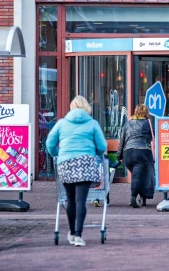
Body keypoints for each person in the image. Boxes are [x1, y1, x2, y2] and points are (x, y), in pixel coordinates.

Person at [46, 96, 107, 247]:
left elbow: (50, 142)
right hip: (85, 162)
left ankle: (72, 232)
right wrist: (95, 151)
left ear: (71, 107)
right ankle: (78, 235)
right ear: (87, 107)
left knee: (70, 199)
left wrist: (56, 153)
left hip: (66, 162)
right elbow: (102, 146)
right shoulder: (92, 124)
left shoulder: (61, 123)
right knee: (81, 200)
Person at [117, 104, 155, 208]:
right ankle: (133, 198)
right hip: (142, 152)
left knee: (138, 174)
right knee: (139, 175)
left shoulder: (127, 124)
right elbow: (154, 138)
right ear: (146, 113)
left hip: (128, 154)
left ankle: (142, 197)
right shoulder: (148, 124)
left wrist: (118, 157)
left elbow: (122, 142)